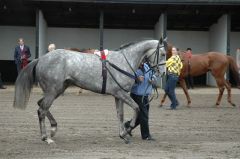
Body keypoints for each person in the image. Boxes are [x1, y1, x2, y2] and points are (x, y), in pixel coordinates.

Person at [124, 60, 156, 141]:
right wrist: (136, 80)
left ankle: (128, 125)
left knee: (142, 115)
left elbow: (152, 74)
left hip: (145, 95)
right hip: (137, 95)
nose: (142, 60)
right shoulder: (133, 68)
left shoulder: (146, 66)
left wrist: (153, 79)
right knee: (144, 115)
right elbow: (128, 83)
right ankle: (146, 136)